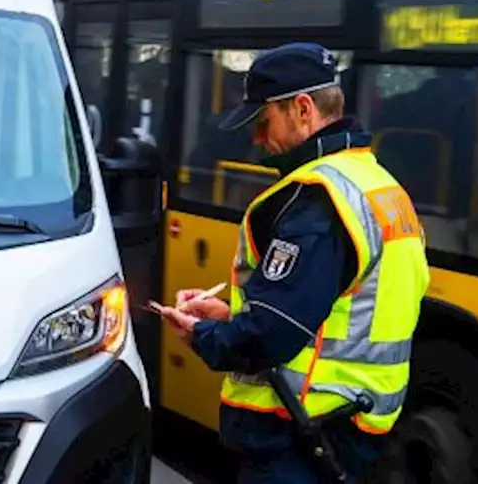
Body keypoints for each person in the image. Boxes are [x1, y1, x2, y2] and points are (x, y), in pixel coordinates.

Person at [156, 42, 431, 484]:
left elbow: (273, 333)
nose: (257, 139)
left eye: (263, 122)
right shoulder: (378, 185)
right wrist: (231, 314)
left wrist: (205, 336)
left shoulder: (320, 202)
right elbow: (334, 312)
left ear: (303, 109)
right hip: (353, 425)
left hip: (303, 433)